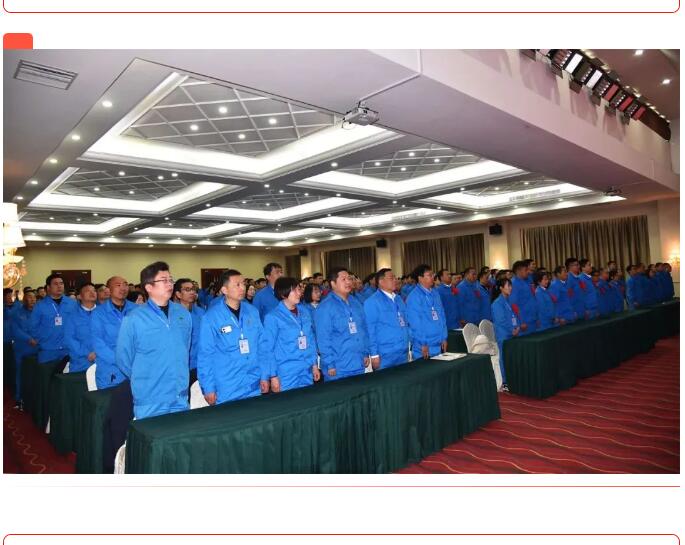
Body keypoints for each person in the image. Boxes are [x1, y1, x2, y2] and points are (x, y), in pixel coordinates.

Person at [116, 261, 192, 419]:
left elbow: (185, 349)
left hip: (179, 395)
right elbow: (123, 358)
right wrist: (144, 378)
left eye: (170, 279)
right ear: (149, 287)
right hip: (150, 398)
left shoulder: (183, 314)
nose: (170, 284)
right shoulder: (134, 318)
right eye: (164, 280)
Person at [198, 269, 271, 405]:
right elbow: (205, 355)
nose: (242, 288)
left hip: (253, 383)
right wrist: (208, 387)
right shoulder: (211, 317)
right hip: (227, 386)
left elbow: (263, 346)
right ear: (224, 290)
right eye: (237, 285)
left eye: (243, 284)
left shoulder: (252, 312)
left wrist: (265, 375)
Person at [261, 277, 319, 392]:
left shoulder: (305, 312)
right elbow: (268, 349)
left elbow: (310, 340)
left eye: (299, 289)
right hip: (286, 373)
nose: (299, 293)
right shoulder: (273, 317)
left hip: (306, 370)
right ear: (283, 294)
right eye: (294, 290)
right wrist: (273, 376)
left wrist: (314, 365)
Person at [314, 267, 371, 380]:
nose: (348, 282)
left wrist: (365, 353)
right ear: (333, 284)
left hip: (358, 362)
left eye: (349, 279)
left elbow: (363, 329)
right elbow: (323, 338)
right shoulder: (325, 307)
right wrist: (330, 364)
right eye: (343, 279)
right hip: (338, 368)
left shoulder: (356, 303)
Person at [91, 276, 137, 390]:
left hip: (135, 367)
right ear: (109, 290)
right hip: (111, 369)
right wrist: (120, 360)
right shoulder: (98, 313)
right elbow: (98, 342)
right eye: (118, 285)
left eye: (125, 284)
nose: (123, 288)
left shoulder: (137, 310)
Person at [363, 268, 410, 369]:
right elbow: (370, 330)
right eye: (391, 278)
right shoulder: (372, 302)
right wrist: (374, 354)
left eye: (395, 278)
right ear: (381, 282)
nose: (395, 280)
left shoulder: (398, 299)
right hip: (385, 354)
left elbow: (406, 323)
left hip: (402, 351)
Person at [29, 273, 77, 368]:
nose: (59, 286)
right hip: (48, 351)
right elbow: (33, 326)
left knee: (67, 376)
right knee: (46, 376)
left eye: (61, 283)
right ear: (48, 287)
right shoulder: (40, 305)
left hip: (69, 350)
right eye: (55, 284)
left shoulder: (72, 304)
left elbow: (78, 324)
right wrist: (42, 340)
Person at [406, 264, 448, 360]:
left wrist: (444, 337)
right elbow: (415, 324)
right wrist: (422, 343)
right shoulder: (414, 297)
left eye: (433, 274)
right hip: (424, 347)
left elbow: (442, 317)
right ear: (420, 278)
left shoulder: (435, 293)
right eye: (429, 275)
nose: (433, 277)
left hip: (438, 344)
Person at [10, 290, 38, 409]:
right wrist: (28, 339)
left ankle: (33, 398)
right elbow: (15, 330)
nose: (32, 299)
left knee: (35, 374)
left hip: (37, 348)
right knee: (20, 373)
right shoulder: (17, 313)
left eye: (34, 297)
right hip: (22, 348)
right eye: (29, 297)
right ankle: (19, 398)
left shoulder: (38, 312)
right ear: (24, 299)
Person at [174, 278, 205, 386]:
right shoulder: (172, 315)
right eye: (187, 290)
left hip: (200, 364)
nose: (192, 292)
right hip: (182, 366)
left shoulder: (201, 312)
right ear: (178, 294)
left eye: (193, 289)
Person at [491, 277, 519, 392]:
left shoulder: (508, 300)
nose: (510, 288)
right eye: (508, 286)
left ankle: (511, 378)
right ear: (501, 288)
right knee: (503, 358)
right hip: (503, 335)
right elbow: (501, 321)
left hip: (511, 333)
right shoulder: (497, 303)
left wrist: (517, 326)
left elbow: (513, 316)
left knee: (510, 358)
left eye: (511, 285)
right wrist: (512, 330)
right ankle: (505, 382)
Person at [64, 282, 97, 373]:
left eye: (94, 290)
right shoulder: (72, 315)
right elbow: (69, 339)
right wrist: (87, 353)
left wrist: (98, 352)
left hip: (103, 361)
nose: (92, 293)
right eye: (87, 291)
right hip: (81, 363)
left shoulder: (104, 313)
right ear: (79, 296)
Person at [510, 261, 537, 335]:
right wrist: (520, 322)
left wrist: (537, 317)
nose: (528, 272)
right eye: (526, 270)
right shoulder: (513, 284)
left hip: (532, 320)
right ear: (518, 271)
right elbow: (513, 305)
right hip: (524, 323)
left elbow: (533, 299)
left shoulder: (528, 281)